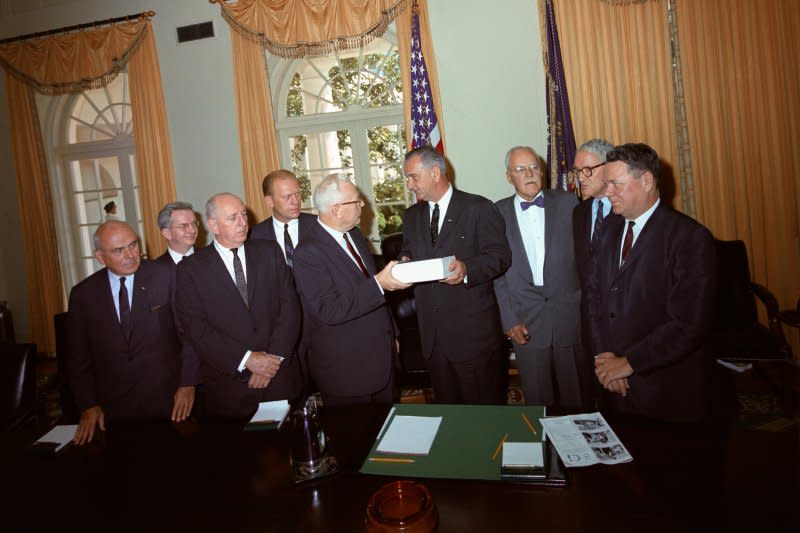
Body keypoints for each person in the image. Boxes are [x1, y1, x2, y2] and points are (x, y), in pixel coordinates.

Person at [587, 143, 716, 422]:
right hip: (612, 380)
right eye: (606, 184)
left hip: (665, 388)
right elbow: (594, 296)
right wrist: (604, 358)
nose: (607, 193)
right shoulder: (608, 228)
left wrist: (629, 363)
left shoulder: (690, 238)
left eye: (615, 184)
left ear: (646, 181)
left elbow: (688, 323)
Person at [67, 221, 198, 445]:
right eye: (118, 250)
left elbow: (189, 336)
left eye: (133, 245)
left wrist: (188, 384)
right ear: (100, 257)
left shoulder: (166, 276)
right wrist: (88, 405)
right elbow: (78, 358)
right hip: (112, 411)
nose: (130, 255)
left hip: (168, 403)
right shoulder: (83, 295)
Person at [400, 146, 511, 404]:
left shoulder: (478, 208)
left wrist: (467, 269)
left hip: (473, 338)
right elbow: (408, 251)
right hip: (434, 340)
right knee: (450, 416)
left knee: (483, 416)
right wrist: (404, 262)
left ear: (435, 172)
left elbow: (500, 257)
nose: (409, 185)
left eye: (413, 177)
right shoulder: (412, 216)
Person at [175, 193, 302, 418]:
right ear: (213, 225)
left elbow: (290, 307)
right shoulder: (191, 269)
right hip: (230, 389)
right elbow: (198, 330)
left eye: (243, 215)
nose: (243, 223)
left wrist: (272, 361)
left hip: (280, 380)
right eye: (233, 218)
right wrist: (248, 360)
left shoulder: (270, 251)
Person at [292, 175, 410, 405]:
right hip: (348, 372)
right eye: (356, 201)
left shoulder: (354, 234)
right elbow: (330, 309)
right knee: (357, 439)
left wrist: (391, 333)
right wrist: (379, 283)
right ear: (336, 209)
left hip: (382, 358)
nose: (363, 205)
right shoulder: (307, 253)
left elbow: (368, 288)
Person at [493, 146, 589, 408]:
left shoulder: (569, 203)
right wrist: (509, 320)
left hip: (569, 317)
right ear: (508, 176)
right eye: (520, 169)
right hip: (526, 322)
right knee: (538, 403)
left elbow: (586, 260)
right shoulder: (497, 213)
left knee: (578, 400)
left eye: (534, 167)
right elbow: (497, 275)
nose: (530, 173)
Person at [571, 138, 616, 285]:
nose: (580, 178)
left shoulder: (629, 209)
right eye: (577, 171)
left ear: (609, 167)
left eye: (587, 170)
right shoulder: (579, 212)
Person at [249, 169, 317, 266]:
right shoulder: (254, 236)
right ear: (269, 201)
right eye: (287, 197)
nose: (295, 201)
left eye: (297, 194)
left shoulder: (319, 225)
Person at [156, 201, 199, 266]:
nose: (192, 230)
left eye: (194, 224)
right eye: (183, 226)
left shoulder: (210, 259)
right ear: (167, 233)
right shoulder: (157, 269)